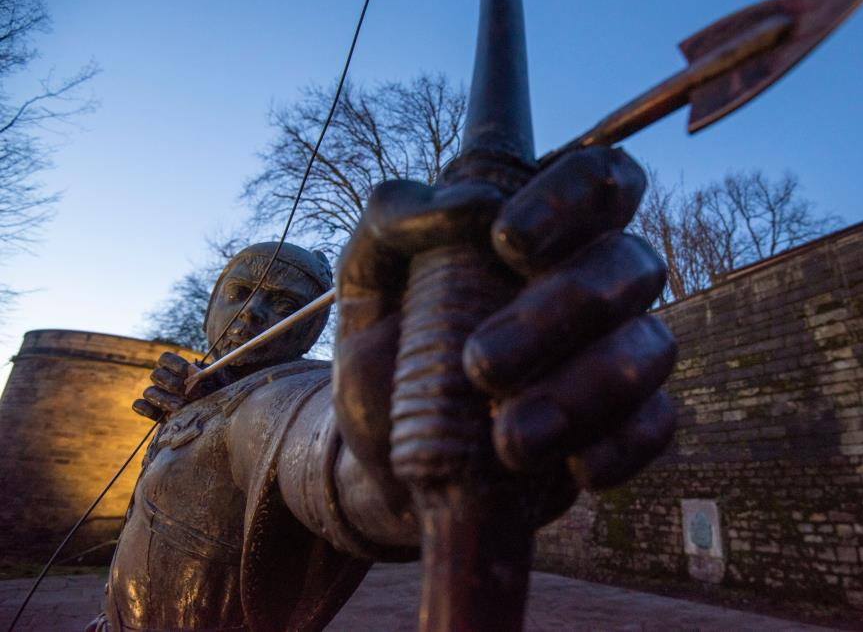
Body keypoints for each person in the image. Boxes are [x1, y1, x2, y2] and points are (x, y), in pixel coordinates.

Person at [90, 147, 678, 631]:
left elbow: (334, 451)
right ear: (213, 296)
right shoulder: (202, 394)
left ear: (313, 327)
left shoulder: (281, 396)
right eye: (241, 291)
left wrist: (419, 428)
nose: (253, 314)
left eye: (284, 304)